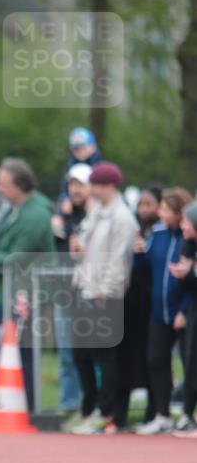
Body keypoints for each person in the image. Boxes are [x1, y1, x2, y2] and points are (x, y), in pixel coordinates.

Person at [0, 158, 54, 410]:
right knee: (0, 345)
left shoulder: (35, 215)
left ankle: (27, 404)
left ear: (19, 186)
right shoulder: (10, 210)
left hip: (25, 293)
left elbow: (14, 258)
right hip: (6, 291)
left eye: (3, 184)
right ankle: (6, 400)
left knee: (22, 349)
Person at [69, 162, 138, 435]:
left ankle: (105, 411)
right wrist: (76, 250)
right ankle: (89, 408)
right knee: (82, 354)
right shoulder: (96, 211)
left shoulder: (122, 218)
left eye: (95, 184)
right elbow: (86, 249)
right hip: (85, 287)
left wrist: (106, 292)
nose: (91, 189)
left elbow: (119, 259)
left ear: (108, 186)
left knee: (105, 354)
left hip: (105, 294)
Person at [134, 187, 193, 435]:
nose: (160, 213)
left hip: (182, 311)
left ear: (180, 213)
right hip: (158, 311)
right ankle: (162, 413)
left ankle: (188, 413)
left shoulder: (188, 238)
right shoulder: (157, 234)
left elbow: (190, 279)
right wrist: (138, 253)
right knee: (156, 360)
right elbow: (146, 266)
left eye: (166, 210)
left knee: (189, 363)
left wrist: (184, 310)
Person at [112, 183, 162, 430]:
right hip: (129, 305)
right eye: (141, 204)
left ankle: (154, 412)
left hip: (151, 307)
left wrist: (145, 253)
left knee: (151, 360)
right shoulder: (134, 229)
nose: (143, 209)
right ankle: (119, 414)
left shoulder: (163, 234)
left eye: (148, 204)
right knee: (124, 359)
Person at [51, 164, 92, 416]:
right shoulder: (63, 213)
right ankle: (69, 404)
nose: (75, 190)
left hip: (90, 291)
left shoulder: (95, 214)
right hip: (66, 290)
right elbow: (58, 238)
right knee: (67, 352)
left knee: (94, 352)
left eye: (80, 184)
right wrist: (62, 216)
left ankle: (94, 403)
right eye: (72, 185)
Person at [169, 200, 197, 435]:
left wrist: (192, 272)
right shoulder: (187, 244)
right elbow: (186, 284)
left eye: (187, 221)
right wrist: (184, 274)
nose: (183, 226)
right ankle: (188, 415)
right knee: (190, 361)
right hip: (193, 309)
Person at [58, 127, 103, 211]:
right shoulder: (70, 164)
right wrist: (66, 198)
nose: (78, 151)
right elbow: (64, 187)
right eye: (74, 148)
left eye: (81, 147)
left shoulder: (100, 166)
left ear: (92, 147)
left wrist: (95, 197)